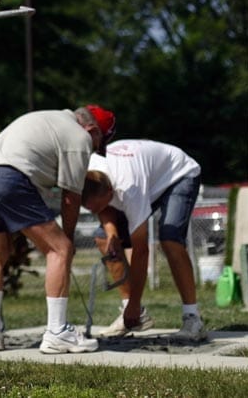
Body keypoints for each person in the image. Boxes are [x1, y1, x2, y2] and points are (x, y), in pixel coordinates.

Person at [0, 104, 116, 354]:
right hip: (8, 177)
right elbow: (71, 196)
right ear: (92, 130)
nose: (94, 150)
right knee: (60, 249)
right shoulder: (79, 137)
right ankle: (57, 332)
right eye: (97, 144)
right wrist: (67, 240)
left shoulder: (48, 119)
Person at [82, 139, 206, 341]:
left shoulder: (130, 189)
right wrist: (112, 232)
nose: (94, 213)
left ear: (111, 193)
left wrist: (135, 300)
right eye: (90, 209)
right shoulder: (89, 172)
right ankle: (133, 312)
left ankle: (193, 318)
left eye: (96, 207)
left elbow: (141, 251)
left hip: (178, 174)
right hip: (145, 175)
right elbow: (103, 208)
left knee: (169, 238)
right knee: (104, 239)